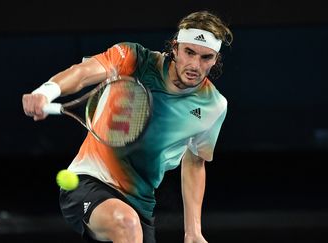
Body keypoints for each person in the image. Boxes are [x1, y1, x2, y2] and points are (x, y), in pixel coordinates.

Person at [22, 10, 233, 243]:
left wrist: (193, 231)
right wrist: (46, 91)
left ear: (216, 60)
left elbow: (195, 162)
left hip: (140, 202)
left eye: (206, 57)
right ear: (175, 47)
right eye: (189, 52)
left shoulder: (214, 105)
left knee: (131, 223)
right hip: (89, 180)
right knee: (126, 223)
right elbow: (82, 74)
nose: (194, 64)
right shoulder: (134, 59)